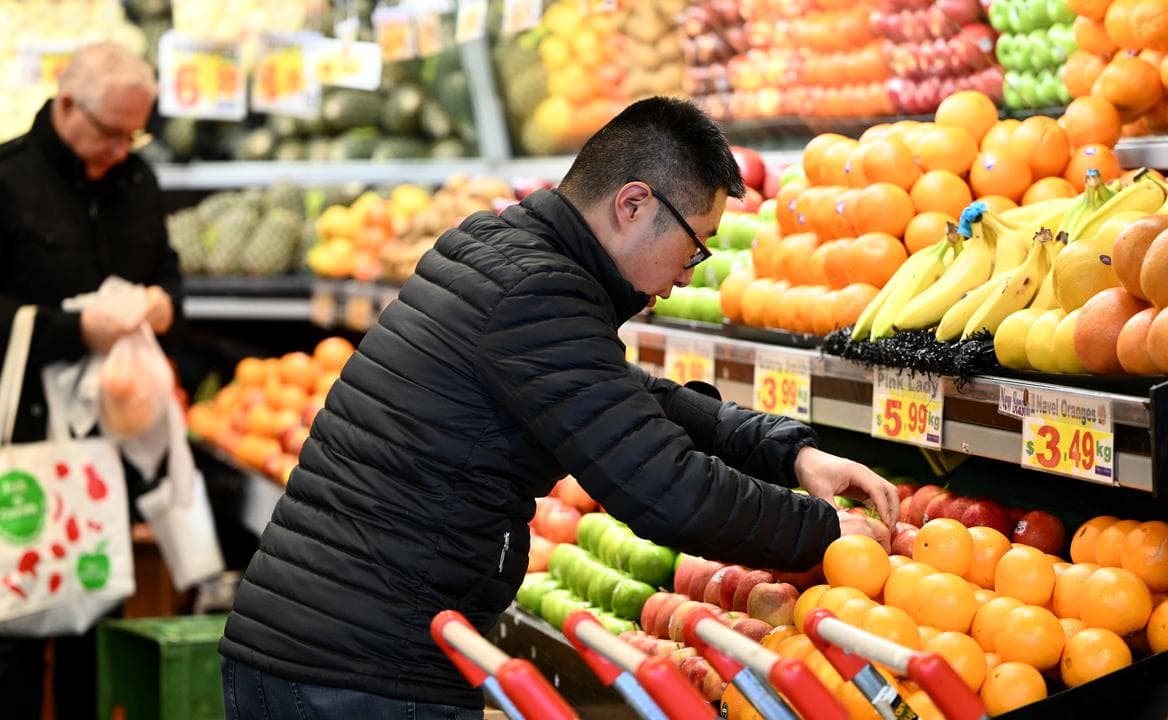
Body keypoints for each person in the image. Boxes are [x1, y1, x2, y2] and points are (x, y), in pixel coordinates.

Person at [218, 97, 899, 718]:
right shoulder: (536, 291)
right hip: (357, 675)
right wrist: (829, 534)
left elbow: (619, 396)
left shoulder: (495, 249)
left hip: (329, 648)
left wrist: (789, 450)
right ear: (633, 204)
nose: (690, 273)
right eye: (694, 244)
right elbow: (667, 490)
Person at [0, 41, 183, 720]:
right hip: (22, 436)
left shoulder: (137, 182)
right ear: (67, 106)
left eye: (137, 134)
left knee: (97, 617)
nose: (124, 150)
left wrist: (164, 303)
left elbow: (169, 272)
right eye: (111, 133)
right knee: (18, 624)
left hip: (111, 438)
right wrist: (74, 332)